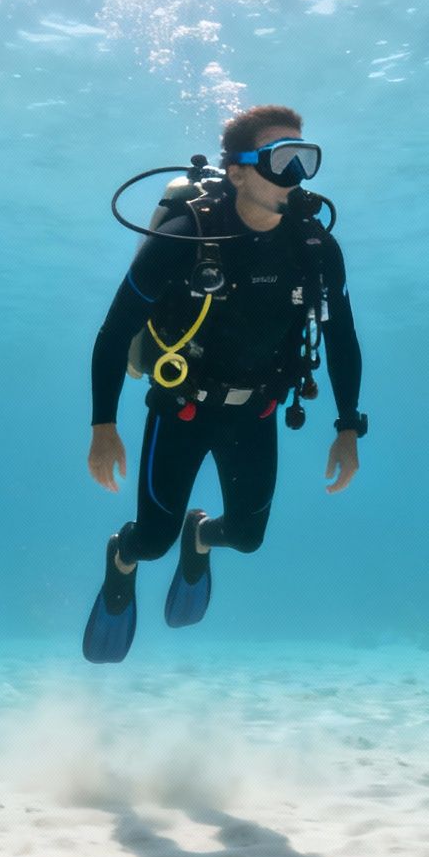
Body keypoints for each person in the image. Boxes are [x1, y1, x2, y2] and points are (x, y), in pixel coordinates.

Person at [82, 105, 367, 662]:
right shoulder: (182, 239)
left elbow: (343, 338)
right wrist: (103, 424)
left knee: (247, 537)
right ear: (236, 171)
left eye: (305, 159)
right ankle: (123, 558)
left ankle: (202, 536)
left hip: (256, 413)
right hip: (181, 409)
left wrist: (348, 427)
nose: (297, 176)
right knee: (152, 541)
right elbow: (115, 332)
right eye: (281, 160)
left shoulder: (315, 249)